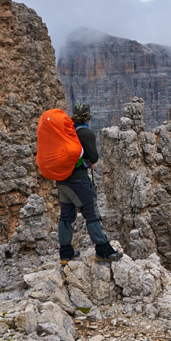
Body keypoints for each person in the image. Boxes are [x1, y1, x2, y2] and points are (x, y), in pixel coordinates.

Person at [57, 103, 122, 264]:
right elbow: (93, 158)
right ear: (88, 117)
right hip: (79, 180)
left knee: (66, 216)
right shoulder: (86, 133)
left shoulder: (65, 131)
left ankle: (65, 254)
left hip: (61, 180)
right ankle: (103, 250)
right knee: (91, 213)